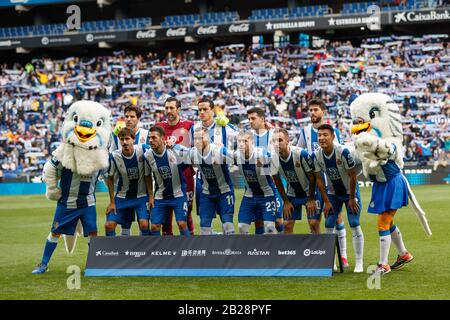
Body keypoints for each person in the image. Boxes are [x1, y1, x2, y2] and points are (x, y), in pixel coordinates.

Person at [297, 98, 349, 266]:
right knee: (313, 222)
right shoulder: (304, 132)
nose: (312, 113)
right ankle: (321, 254)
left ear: (323, 112)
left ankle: (343, 256)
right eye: (310, 110)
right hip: (313, 183)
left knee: (337, 218)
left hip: (331, 183)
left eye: (316, 110)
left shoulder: (333, 132)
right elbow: (299, 152)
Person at [32, 156, 103, 274]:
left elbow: (109, 172)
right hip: (67, 202)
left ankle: (94, 265)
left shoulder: (101, 156)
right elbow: (51, 167)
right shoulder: (66, 155)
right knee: (55, 232)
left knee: (93, 233)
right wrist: (52, 189)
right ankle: (44, 264)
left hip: (88, 202)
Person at [312, 124, 365, 272]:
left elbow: (353, 175)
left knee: (354, 223)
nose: (322, 138)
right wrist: (326, 202)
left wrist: (352, 198)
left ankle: (359, 263)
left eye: (325, 135)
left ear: (333, 136)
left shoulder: (343, 152)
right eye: (319, 135)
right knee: (329, 224)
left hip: (350, 193)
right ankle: (331, 261)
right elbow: (319, 179)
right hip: (333, 194)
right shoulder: (316, 155)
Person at [156, 97, 195, 235]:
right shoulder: (159, 126)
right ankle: (169, 250)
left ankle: (189, 246)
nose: (168, 111)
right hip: (165, 177)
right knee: (166, 217)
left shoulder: (189, 126)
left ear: (178, 109)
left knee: (186, 214)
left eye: (171, 108)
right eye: (166, 108)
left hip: (186, 175)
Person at [109, 104, 149, 236]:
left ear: (138, 118)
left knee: (143, 223)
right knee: (124, 223)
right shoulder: (116, 135)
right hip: (123, 183)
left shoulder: (146, 134)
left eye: (132, 116)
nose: (128, 119)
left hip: (142, 185)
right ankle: (122, 250)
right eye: (126, 116)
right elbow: (113, 156)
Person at [143, 126, 190, 236]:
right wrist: (150, 197)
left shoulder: (174, 150)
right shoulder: (147, 155)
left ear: (162, 138)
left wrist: (175, 145)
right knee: (154, 226)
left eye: (154, 137)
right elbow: (147, 176)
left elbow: (192, 155)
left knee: (182, 224)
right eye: (149, 138)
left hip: (178, 194)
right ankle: (158, 251)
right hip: (160, 196)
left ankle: (188, 250)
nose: (150, 140)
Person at [189, 127, 235, 235]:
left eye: (201, 138)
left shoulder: (219, 151)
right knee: (204, 227)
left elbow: (238, 159)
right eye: (195, 139)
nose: (197, 141)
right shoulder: (192, 153)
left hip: (225, 192)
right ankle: (209, 250)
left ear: (208, 138)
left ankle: (232, 250)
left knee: (227, 226)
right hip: (206, 193)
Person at [270, 128, 317, 234]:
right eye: (274, 141)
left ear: (288, 141)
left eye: (280, 140)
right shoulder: (273, 158)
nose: (276, 144)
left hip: (310, 193)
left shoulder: (301, 154)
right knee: (286, 226)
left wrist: (311, 198)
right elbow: (277, 181)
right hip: (292, 194)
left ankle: (317, 250)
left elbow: (312, 177)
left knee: (314, 224)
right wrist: (285, 201)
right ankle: (288, 251)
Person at [247, 107, 284, 234]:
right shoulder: (248, 137)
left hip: (273, 182)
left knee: (278, 220)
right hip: (255, 186)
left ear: (262, 119)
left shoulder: (273, 135)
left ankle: (286, 248)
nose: (250, 121)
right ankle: (261, 251)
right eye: (249, 119)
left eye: (253, 118)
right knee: (258, 221)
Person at [234, 131, 278, 234]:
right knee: (241, 226)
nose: (241, 144)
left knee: (270, 227)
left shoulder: (262, 154)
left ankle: (275, 248)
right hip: (249, 195)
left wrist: (266, 168)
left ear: (252, 142)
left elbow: (277, 163)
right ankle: (248, 248)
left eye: (245, 141)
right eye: (239, 141)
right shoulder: (235, 155)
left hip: (267, 194)